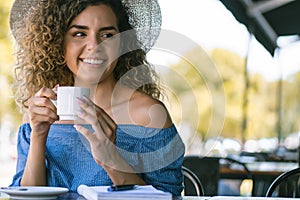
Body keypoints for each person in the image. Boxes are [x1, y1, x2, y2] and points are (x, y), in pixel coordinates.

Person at [9, 0, 185, 196]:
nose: (94, 45)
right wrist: (38, 136)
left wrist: (111, 158)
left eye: (107, 35)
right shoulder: (39, 115)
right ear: (59, 42)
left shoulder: (149, 114)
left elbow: (168, 197)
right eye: (79, 34)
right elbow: (25, 195)